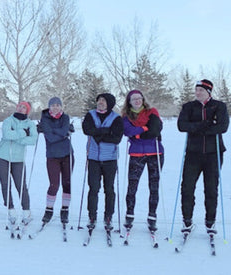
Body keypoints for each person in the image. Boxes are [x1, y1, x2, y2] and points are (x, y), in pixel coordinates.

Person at [177, 79, 229, 234]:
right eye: (196, 90)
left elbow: (222, 127)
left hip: (214, 153)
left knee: (211, 188)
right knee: (187, 187)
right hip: (193, 153)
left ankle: (210, 221)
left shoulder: (219, 106)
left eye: (201, 90)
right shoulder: (189, 107)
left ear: (209, 92)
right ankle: (187, 220)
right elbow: (182, 126)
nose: (197, 92)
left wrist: (198, 128)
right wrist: (204, 125)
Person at [121, 90, 164, 232]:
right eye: (134, 99)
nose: (137, 101)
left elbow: (156, 130)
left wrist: (139, 133)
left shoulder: (152, 112)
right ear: (129, 102)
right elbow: (128, 131)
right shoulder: (126, 116)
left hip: (155, 152)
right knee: (132, 185)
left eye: (139, 98)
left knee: (154, 185)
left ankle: (152, 216)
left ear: (143, 99)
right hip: (136, 154)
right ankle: (129, 214)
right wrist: (145, 129)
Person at [81, 93, 123, 230]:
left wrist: (98, 135)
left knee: (109, 189)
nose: (100, 102)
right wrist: (106, 131)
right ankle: (92, 215)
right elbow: (87, 130)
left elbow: (116, 138)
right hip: (93, 158)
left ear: (109, 103)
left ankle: (108, 216)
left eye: (103, 101)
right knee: (93, 188)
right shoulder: (90, 115)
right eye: (99, 100)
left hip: (110, 158)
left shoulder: (116, 118)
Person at [0, 102, 37, 224]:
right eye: (19, 106)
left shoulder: (30, 124)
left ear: (27, 110)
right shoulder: (8, 120)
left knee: (21, 185)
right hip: (2, 156)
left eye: (24, 107)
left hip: (18, 159)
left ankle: (26, 210)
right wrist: (23, 133)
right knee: (6, 184)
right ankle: (11, 209)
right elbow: (7, 135)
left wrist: (16, 136)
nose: (21, 108)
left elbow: (33, 139)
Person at [38, 97, 74, 225]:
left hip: (67, 154)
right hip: (52, 155)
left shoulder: (65, 117)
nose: (55, 107)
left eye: (58, 105)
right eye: (53, 105)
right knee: (54, 184)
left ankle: (65, 209)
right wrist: (62, 133)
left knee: (67, 182)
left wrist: (56, 131)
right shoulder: (45, 118)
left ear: (61, 107)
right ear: (49, 107)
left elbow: (61, 131)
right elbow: (50, 137)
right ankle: (49, 209)